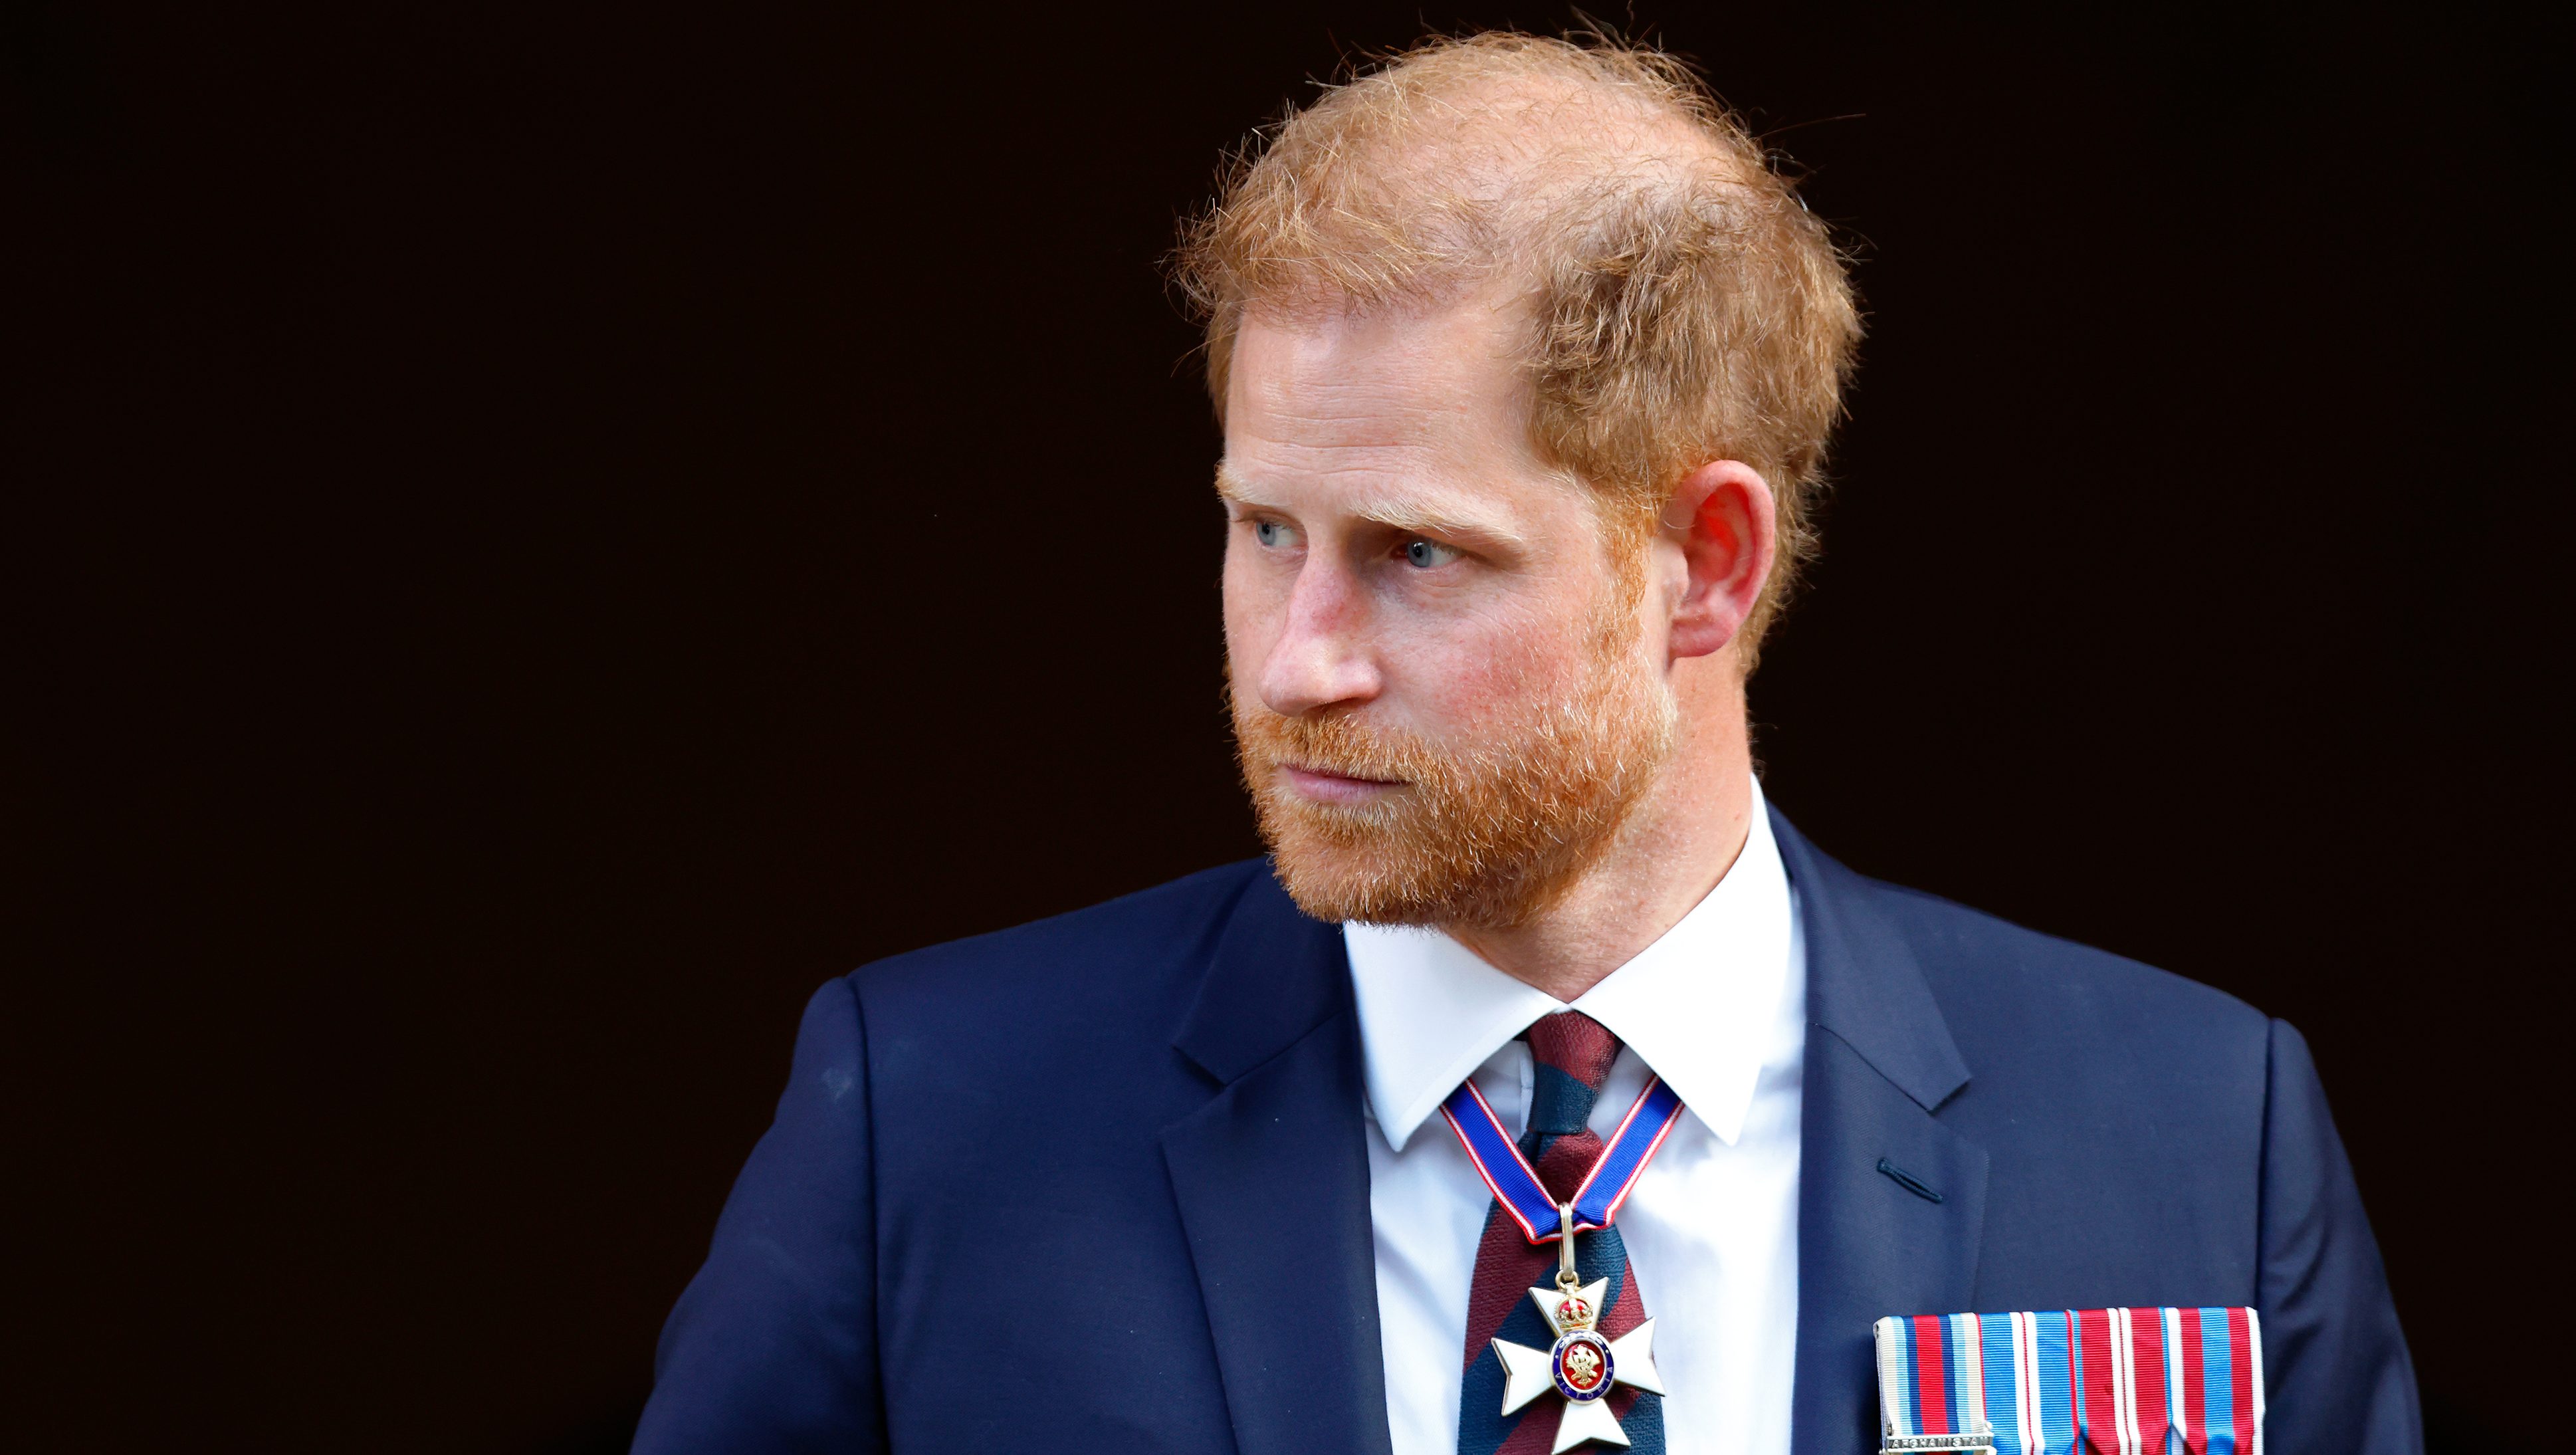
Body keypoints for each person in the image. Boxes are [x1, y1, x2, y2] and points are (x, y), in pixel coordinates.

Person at [631, 32, 2418, 1455]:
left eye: (1416, 553)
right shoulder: (933, 1121)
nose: (1295, 662)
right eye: (1264, 530)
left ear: (1700, 565)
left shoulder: (2195, 1133)